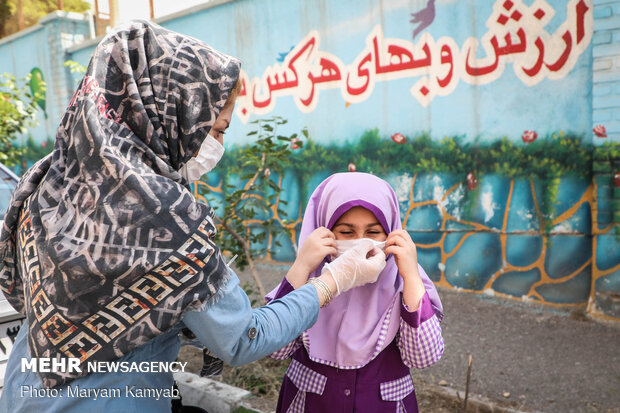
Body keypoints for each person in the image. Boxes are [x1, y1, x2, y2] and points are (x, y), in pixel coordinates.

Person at [0, 21, 387, 412]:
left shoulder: (50, 181)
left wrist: (179, 305)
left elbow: (33, 291)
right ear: (173, 117)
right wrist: (332, 282)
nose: (217, 145)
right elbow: (242, 339)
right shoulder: (165, 217)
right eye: (216, 130)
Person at [267, 172, 445, 413]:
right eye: (347, 233)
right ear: (324, 231)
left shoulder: (403, 280)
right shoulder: (308, 276)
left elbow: (423, 357)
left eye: (373, 233)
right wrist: (301, 266)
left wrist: (411, 276)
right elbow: (275, 349)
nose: (361, 243)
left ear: (391, 233)